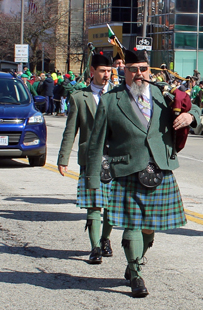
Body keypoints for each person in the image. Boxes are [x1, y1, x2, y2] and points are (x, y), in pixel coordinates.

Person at [85, 48, 200, 297]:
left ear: (150, 71)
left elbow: (196, 108)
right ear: (124, 71)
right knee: (132, 226)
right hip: (127, 170)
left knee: (149, 228)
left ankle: (137, 258)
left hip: (161, 169)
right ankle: (135, 272)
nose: (139, 74)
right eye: (133, 69)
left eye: (143, 69)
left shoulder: (163, 95)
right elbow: (96, 143)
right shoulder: (110, 100)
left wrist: (191, 117)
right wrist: (93, 179)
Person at [57, 53, 115, 264]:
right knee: (94, 205)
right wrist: (63, 158)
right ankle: (95, 248)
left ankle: (106, 239)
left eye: (109, 71)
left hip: (115, 158)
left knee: (112, 205)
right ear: (92, 72)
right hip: (91, 158)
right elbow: (70, 131)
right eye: (102, 71)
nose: (106, 75)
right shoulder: (79, 98)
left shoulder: (118, 96)